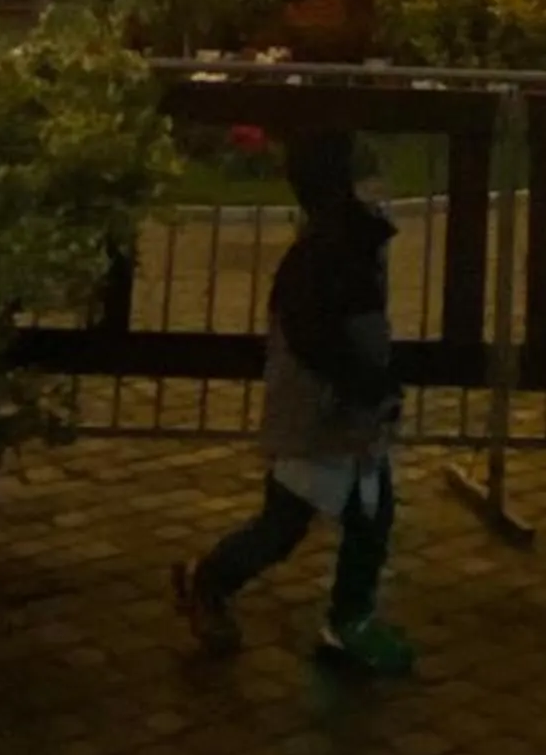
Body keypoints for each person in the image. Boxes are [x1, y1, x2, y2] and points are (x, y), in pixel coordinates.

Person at [174, 130, 416, 674]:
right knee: (287, 521)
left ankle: (348, 617)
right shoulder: (326, 254)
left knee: (366, 515)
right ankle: (213, 579)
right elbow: (318, 339)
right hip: (321, 414)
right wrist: (365, 385)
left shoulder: (345, 242)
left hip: (347, 412)